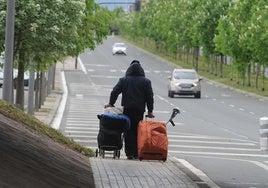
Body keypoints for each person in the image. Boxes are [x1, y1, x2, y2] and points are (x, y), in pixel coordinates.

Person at [105, 60, 154, 159]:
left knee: (128, 129)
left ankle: (129, 153)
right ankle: (137, 153)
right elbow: (150, 97)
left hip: (127, 109)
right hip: (139, 110)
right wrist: (150, 111)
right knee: (138, 130)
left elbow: (115, 92)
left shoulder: (124, 80)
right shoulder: (146, 82)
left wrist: (111, 103)